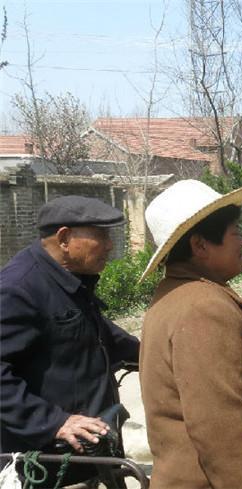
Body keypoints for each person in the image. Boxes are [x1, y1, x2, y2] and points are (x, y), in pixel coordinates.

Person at [138, 180, 242, 488]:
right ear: (200, 245)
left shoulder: (184, 296)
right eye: (236, 232)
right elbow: (223, 435)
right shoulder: (202, 310)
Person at [0, 196, 140, 486]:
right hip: (47, 463)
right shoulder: (18, 289)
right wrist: (54, 422)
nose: (110, 245)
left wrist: (156, 355)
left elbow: (100, 333)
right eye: (101, 235)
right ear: (64, 238)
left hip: (90, 451)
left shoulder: (68, 280)